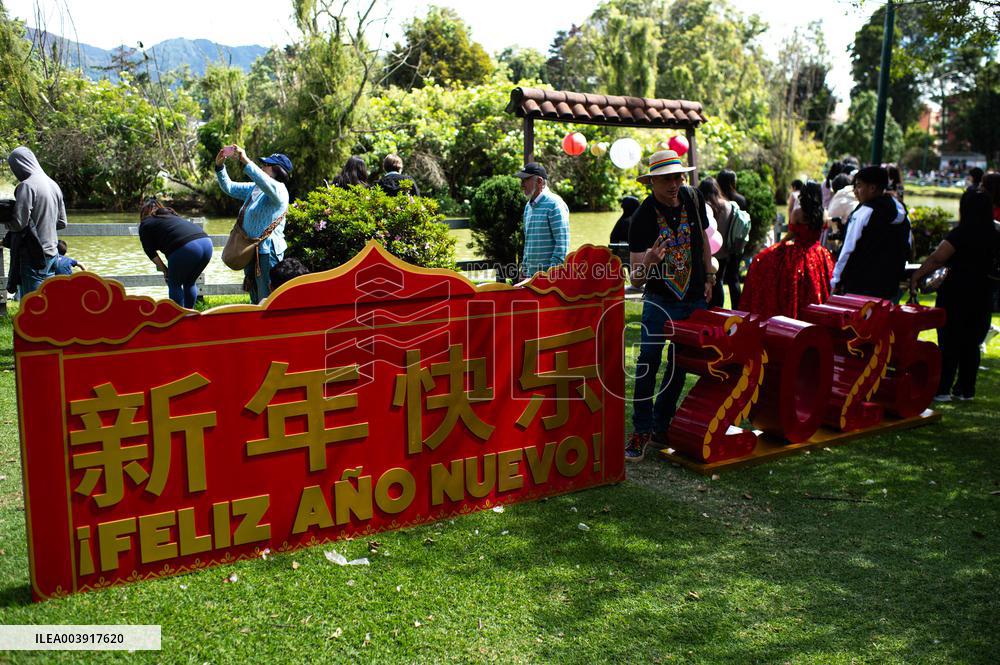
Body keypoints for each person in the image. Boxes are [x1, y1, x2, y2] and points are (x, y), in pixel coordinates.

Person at [626, 150, 715, 461]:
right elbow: (636, 280)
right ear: (651, 182)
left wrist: (710, 274)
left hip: (694, 298)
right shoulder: (641, 217)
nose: (674, 184)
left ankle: (661, 424)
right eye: (666, 179)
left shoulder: (693, 197)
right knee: (648, 363)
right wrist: (650, 261)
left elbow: (703, 238)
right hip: (659, 301)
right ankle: (641, 429)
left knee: (680, 364)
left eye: (678, 176)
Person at [909, 185, 998, 401]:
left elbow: (937, 258)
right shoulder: (995, 234)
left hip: (955, 293)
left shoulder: (961, 233)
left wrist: (916, 276)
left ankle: (943, 389)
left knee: (949, 342)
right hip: (983, 293)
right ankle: (966, 389)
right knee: (972, 343)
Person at [740, 181, 834, 319]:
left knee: (766, 266)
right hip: (819, 254)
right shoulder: (824, 213)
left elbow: (791, 234)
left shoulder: (798, 213)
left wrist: (779, 244)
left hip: (799, 254)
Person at [215, 146, 291, 304]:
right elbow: (229, 187)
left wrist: (245, 160)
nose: (262, 166)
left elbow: (264, 181)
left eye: (266, 164)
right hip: (250, 249)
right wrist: (220, 167)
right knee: (254, 295)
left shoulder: (280, 190)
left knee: (266, 297)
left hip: (268, 252)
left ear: (277, 170)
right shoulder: (256, 189)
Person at [831, 166, 910, 300]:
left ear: (872, 188)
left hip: (859, 286)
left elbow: (848, 249)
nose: (855, 191)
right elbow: (907, 245)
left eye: (859, 186)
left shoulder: (864, 212)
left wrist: (836, 280)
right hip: (889, 286)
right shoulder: (900, 210)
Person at [6, 146, 67, 297]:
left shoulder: (27, 186)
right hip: (52, 254)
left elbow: (19, 223)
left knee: (32, 303)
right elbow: (62, 222)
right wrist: (44, 223)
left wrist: (6, 222)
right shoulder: (54, 185)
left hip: (33, 256)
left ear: (18, 165)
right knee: (48, 302)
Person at [138, 198, 213, 308]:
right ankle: (190, 314)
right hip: (206, 243)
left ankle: (179, 316)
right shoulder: (171, 215)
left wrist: (165, 270)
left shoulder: (145, 224)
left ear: (143, 213)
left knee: (174, 284)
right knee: (190, 282)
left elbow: (150, 252)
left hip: (186, 247)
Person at [514, 162, 569, 277]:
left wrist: (550, 275)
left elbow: (562, 245)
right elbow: (528, 243)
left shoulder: (555, 204)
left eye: (525, 180)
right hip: (530, 278)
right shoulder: (528, 207)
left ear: (539, 181)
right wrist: (524, 270)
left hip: (549, 280)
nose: (522, 184)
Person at [699, 177, 739, 307]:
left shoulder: (703, 207)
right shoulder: (728, 205)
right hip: (723, 252)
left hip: (705, 254)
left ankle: (708, 308)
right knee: (719, 281)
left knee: (706, 283)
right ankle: (719, 308)